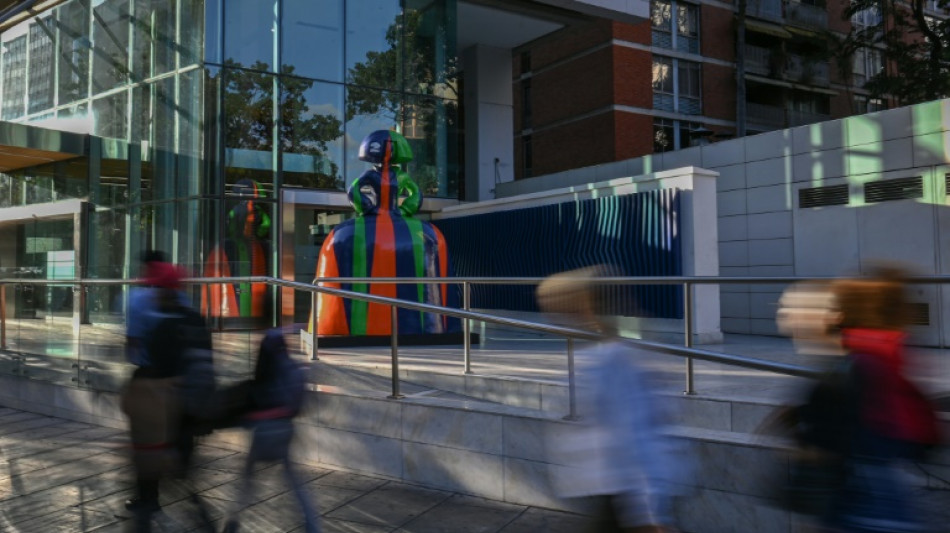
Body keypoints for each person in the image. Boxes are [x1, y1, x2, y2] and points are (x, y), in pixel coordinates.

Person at [782, 268, 940, 532]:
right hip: (878, 477)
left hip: (862, 484)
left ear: (840, 314)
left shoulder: (857, 362)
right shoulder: (883, 351)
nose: (787, 318)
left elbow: (833, 430)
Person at [538, 266, 688, 533]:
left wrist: (649, 512)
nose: (551, 317)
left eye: (556, 307)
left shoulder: (615, 359)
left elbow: (637, 434)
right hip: (612, 488)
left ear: (582, 305)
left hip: (628, 496)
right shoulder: (601, 354)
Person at [121, 262, 215, 531]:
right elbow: (207, 362)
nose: (153, 292)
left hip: (168, 406)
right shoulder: (196, 320)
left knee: (152, 458)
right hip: (195, 404)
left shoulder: (162, 327)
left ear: (164, 290)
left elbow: (152, 369)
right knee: (182, 467)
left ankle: (152, 501)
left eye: (156, 287)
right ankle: (192, 509)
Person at [223, 329, 319, 533]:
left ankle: (234, 518)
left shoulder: (265, 371)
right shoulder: (293, 369)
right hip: (284, 430)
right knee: (294, 480)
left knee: (248, 478)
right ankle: (312, 524)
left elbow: (252, 402)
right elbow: (299, 404)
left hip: (264, 433)